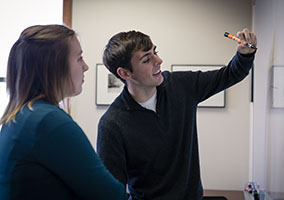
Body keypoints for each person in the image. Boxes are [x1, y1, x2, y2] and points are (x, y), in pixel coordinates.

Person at [97, 28, 257, 200]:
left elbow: (230, 74)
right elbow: (112, 193)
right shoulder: (112, 124)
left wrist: (245, 55)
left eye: (155, 52)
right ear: (125, 73)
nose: (158, 60)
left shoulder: (180, 86)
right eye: (146, 59)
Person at [0, 24, 128, 200]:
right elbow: (111, 195)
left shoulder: (20, 116)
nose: (85, 66)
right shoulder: (47, 121)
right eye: (79, 58)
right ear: (55, 66)